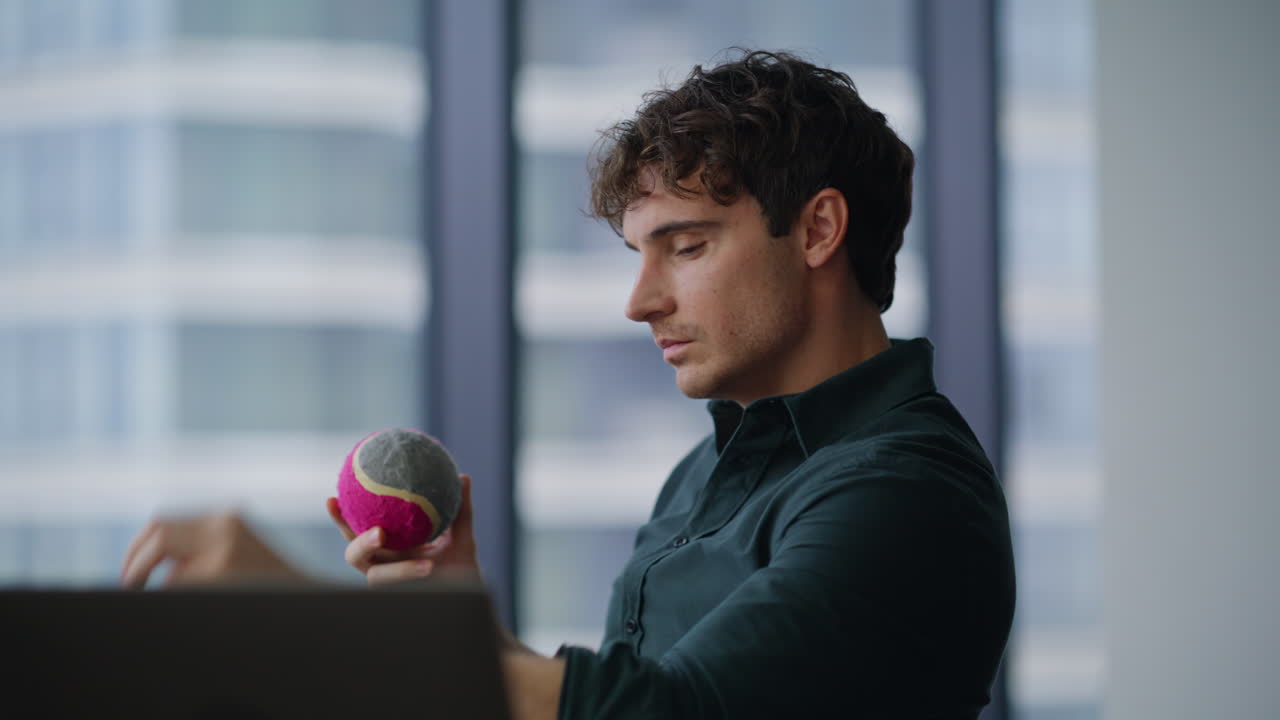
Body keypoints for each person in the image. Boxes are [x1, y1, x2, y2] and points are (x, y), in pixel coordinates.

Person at [121, 50, 1015, 719]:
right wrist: (452, 621)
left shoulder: (906, 492)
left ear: (819, 229)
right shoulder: (704, 475)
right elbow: (618, 698)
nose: (640, 301)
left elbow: (668, 717)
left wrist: (290, 613)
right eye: (639, 254)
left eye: (688, 246)